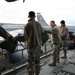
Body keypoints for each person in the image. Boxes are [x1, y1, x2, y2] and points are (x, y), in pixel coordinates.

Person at [14, 11, 43, 75]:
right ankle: (37, 73)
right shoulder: (39, 24)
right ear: (35, 16)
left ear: (28, 16)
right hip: (38, 46)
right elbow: (41, 33)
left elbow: (25, 37)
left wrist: (16, 38)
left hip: (32, 47)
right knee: (37, 62)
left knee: (31, 64)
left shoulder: (28, 25)